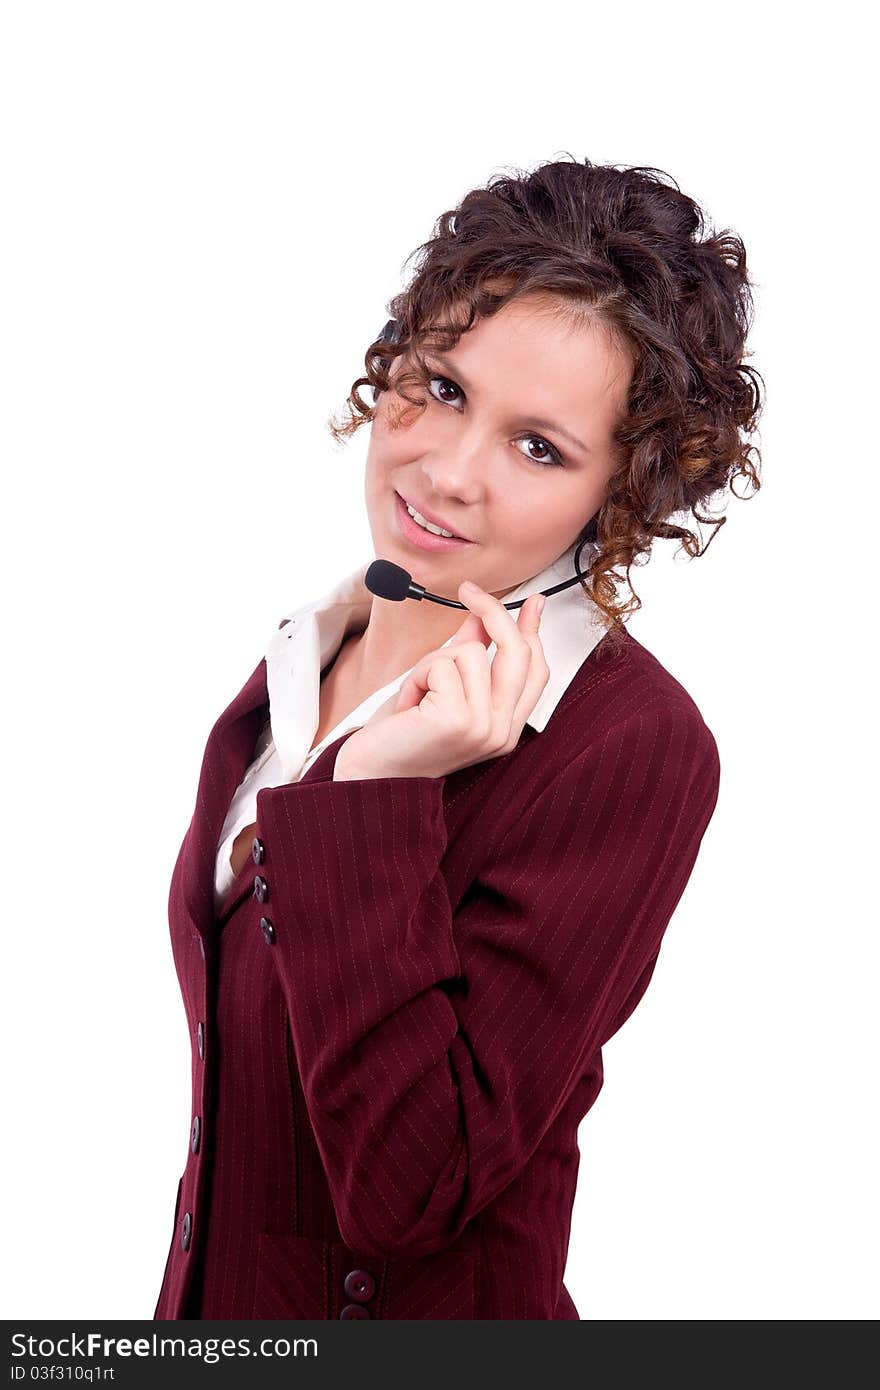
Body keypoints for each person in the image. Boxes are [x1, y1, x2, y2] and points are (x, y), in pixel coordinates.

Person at [153, 154, 762, 1321]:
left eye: (538, 448)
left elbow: (413, 1190)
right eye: (439, 386)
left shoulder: (627, 743)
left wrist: (372, 796)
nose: (446, 470)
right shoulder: (308, 650)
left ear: (619, 498)